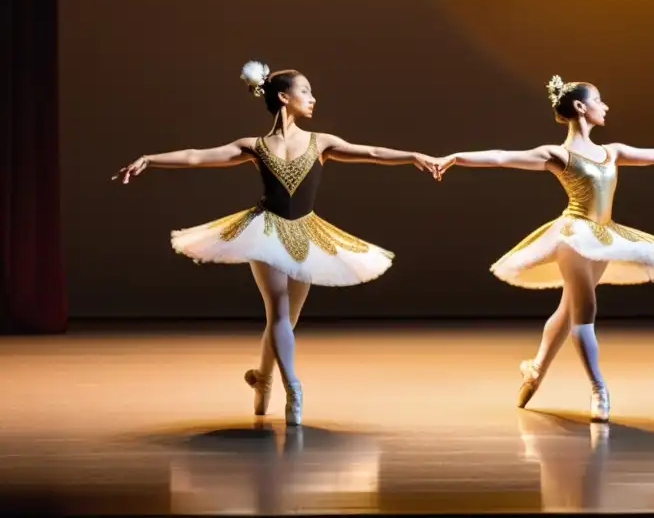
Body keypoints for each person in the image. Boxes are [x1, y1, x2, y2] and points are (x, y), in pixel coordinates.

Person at [113, 61, 443, 425]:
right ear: (284, 97)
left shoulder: (323, 143)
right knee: (279, 314)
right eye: (306, 91)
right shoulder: (253, 146)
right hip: (266, 232)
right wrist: (149, 159)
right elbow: (196, 156)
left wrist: (414, 155)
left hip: (305, 233)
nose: (313, 98)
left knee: (286, 320)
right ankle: (293, 387)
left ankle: (263, 377)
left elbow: (375, 153)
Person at [434, 76, 654, 422]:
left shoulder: (611, 152)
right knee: (585, 307)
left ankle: (535, 369)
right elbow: (500, 158)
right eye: (599, 99)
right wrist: (457, 157)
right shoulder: (558, 155)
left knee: (568, 309)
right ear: (581, 107)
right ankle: (599, 388)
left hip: (603, 237)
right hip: (572, 236)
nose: (606, 106)